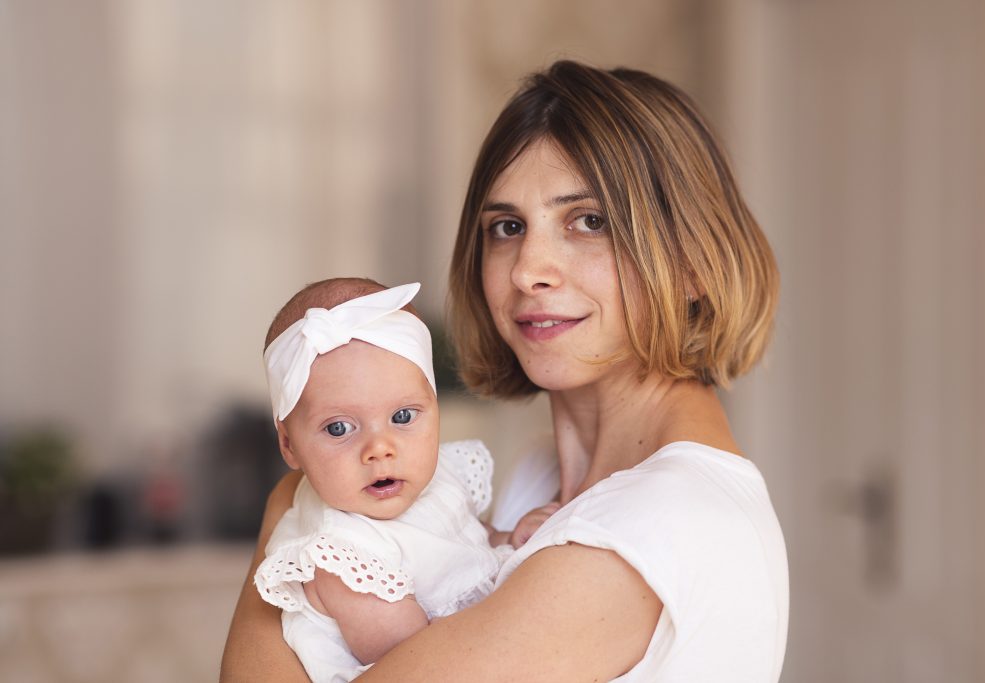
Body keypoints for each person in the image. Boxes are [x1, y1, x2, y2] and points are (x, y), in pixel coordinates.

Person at [222, 60, 789, 682]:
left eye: (590, 221)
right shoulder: (532, 485)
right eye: (507, 227)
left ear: (693, 261)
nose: (527, 269)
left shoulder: (655, 525)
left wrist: (293, 511)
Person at [253, 277, 510, 682]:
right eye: (339, 428)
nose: (379, 448)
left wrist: (511, 540)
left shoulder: (429, 476)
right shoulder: (339, 555)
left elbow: (469, 539)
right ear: (290, 446)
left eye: (403, 417)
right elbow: (420, 661)